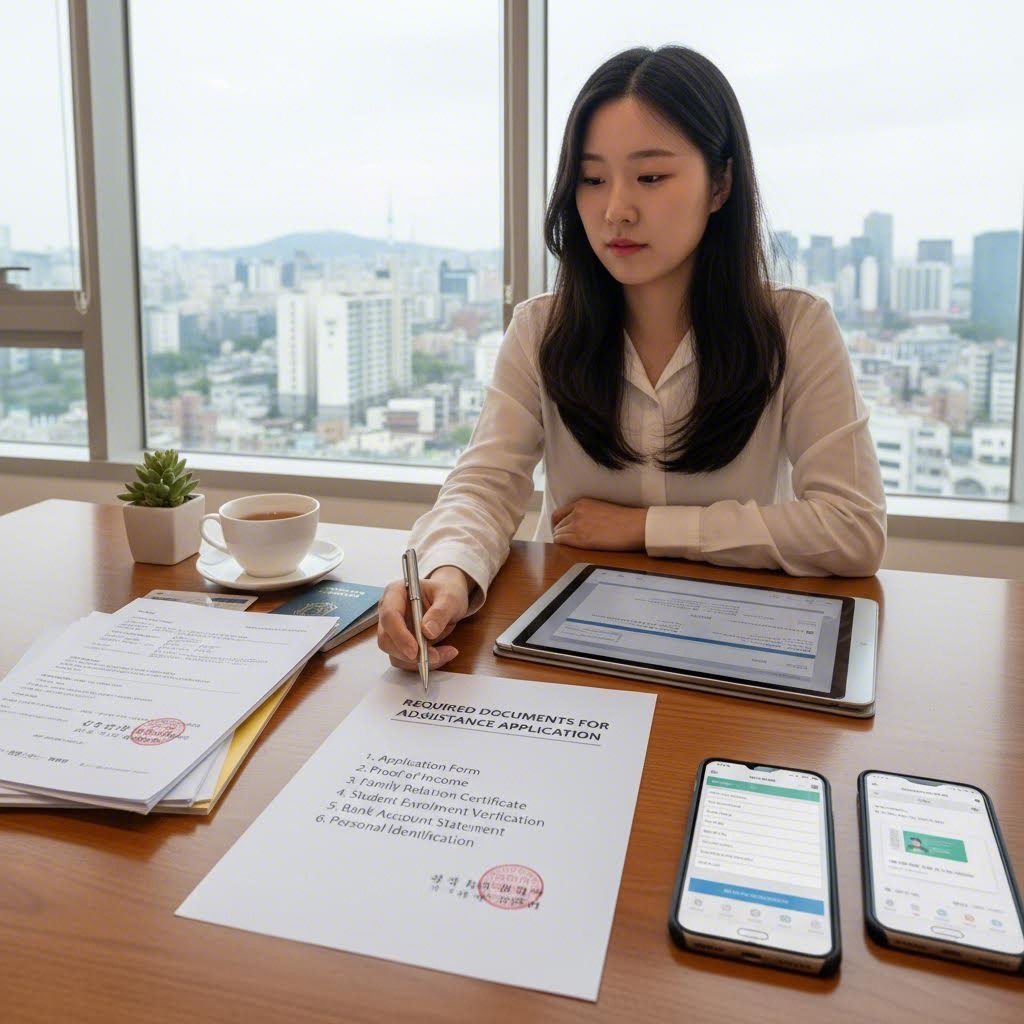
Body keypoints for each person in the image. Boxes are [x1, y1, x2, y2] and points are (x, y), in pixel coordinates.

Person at [378, 45, 886, 672]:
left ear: (721, 184)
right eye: (592, 179)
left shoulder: (795, 329)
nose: (616, 209)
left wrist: (646, 527)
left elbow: (852, 528)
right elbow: (484, 487)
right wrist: (446, 573)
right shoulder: (540, 331)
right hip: (575, 657)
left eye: (650, 177)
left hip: (733, 651)